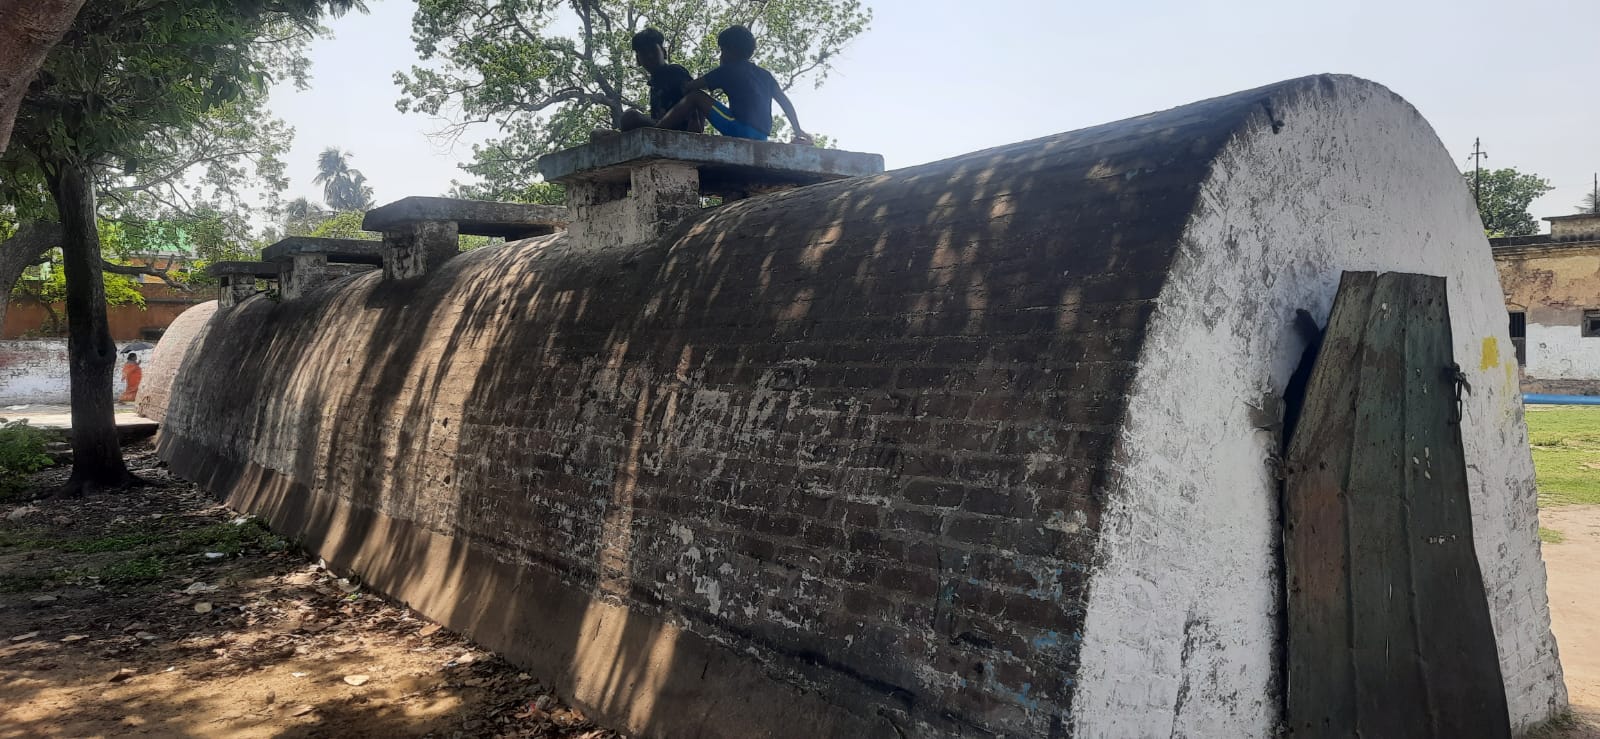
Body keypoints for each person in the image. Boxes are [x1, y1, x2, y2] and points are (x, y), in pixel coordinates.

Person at [655, 25, 812, 145]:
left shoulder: (727, 70)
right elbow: (785, 101)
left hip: (740, 128)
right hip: (762, 136)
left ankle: (657, 129)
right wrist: (798, 130)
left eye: (722, 50)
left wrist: (684, 85)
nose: (721, 55)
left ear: (732, 50)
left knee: (695, 97)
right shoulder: (765, 75)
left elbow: (692, 87)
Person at [618, 28, 703, 133]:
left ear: (664, 52)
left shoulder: (675, 72)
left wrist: (697, 129)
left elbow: (696, 99)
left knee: (630, 117)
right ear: (638, 60)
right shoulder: (654, 85)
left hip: (678, 131)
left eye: (653, 50)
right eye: (644, 53)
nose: (650, 56)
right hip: (661, 130)